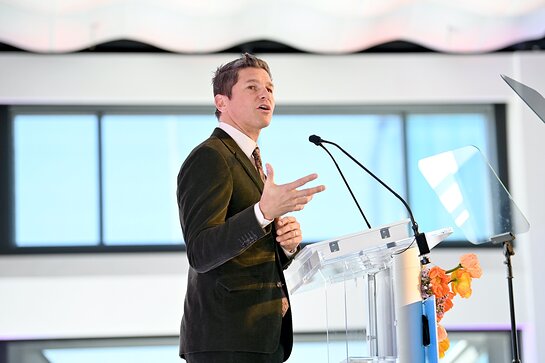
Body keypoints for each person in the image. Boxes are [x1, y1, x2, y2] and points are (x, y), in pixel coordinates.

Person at [176, 53, 326, 363]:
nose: (265, 94)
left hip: (260, 337)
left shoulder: (250, 160)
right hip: (226, 340)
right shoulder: (210, 157)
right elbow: (201, 252)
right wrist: (262, 214)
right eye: (251, 87)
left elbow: (247, 247)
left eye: (270, 88)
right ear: (222, 102)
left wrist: (286, 245)